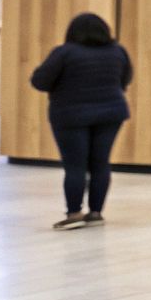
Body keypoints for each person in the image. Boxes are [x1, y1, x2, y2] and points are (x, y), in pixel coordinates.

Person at [29, 12, 132, 231]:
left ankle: (74, 213)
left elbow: (40, 81)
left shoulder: (65, 53)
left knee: (75, 165)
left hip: (71, 114)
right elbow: (126, 79)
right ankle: (96, 213)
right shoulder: (117, 51)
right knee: (100, 163)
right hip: (111, 112)